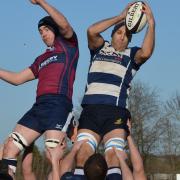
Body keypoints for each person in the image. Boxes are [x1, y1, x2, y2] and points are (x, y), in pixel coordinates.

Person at [75, 1, 155, 179]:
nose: (122, 37)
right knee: (82, 154)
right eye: (119, 33)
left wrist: (151, 22)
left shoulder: (131, 55)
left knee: (113, 155)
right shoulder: (99, 48)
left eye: (126, 35)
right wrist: (120, 17)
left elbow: (147, 52)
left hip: (115, 111)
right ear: (111, 35)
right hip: (91, 110)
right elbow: (91, 31)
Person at [0, 0, 79, 177]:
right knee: (9, 147)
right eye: (40, 32)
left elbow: (65, 25)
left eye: (46, 29)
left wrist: (41, 2)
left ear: (55, 29)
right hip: (38, 107)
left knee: (52, 154)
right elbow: (17, 79)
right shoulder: (41, 59)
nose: (42, 34)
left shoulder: (68, 45)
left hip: (58, 105)